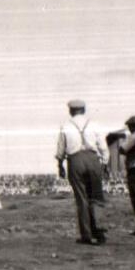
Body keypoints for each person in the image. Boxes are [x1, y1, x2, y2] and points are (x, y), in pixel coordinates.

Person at [56, 99, 108, 245]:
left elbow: (60, 149)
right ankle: (99, 232)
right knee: (96, 197)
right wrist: (105, 163)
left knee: (81, 199)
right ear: (84, 110)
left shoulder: (65, 126)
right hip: (93, 159)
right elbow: (103, 146)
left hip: (75, 161)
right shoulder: (94, 124)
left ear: (70, 111)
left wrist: (60, 165)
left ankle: (86, 235)